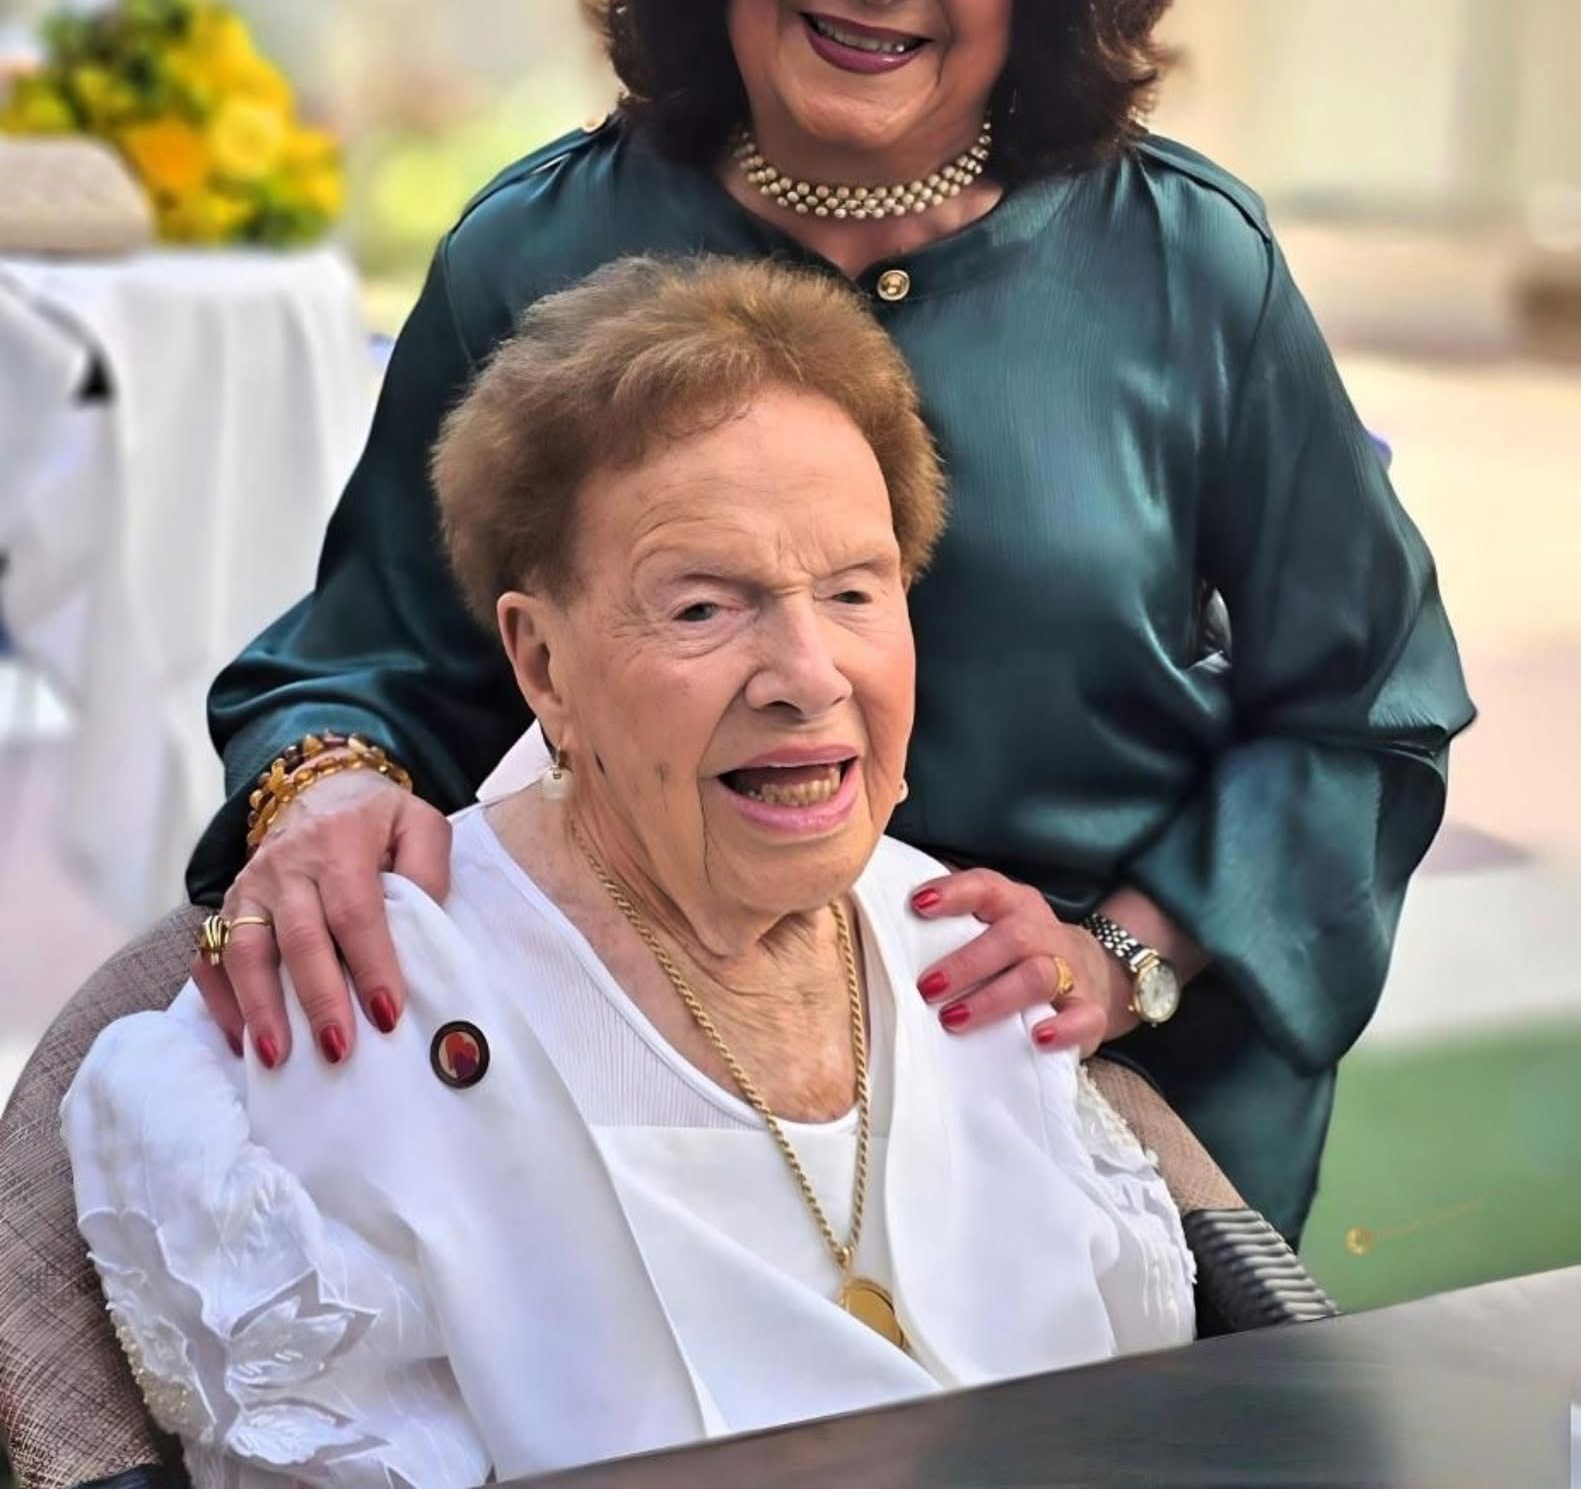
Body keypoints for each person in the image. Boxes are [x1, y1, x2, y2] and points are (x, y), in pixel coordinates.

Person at [186, 0, 1473, 1245]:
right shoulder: (536, 253)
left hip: (1103, 1098)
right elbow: (366, 662)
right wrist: (324, 791)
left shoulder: (1185, 264)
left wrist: (1128, 952)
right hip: (669, 1107)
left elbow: (1364, 707)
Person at [64, 257, 1196, 1482]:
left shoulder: (970, 952)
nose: (808, 674)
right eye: (704, 607)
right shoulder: (375, 1009)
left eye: (853, 591)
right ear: (543, 663)